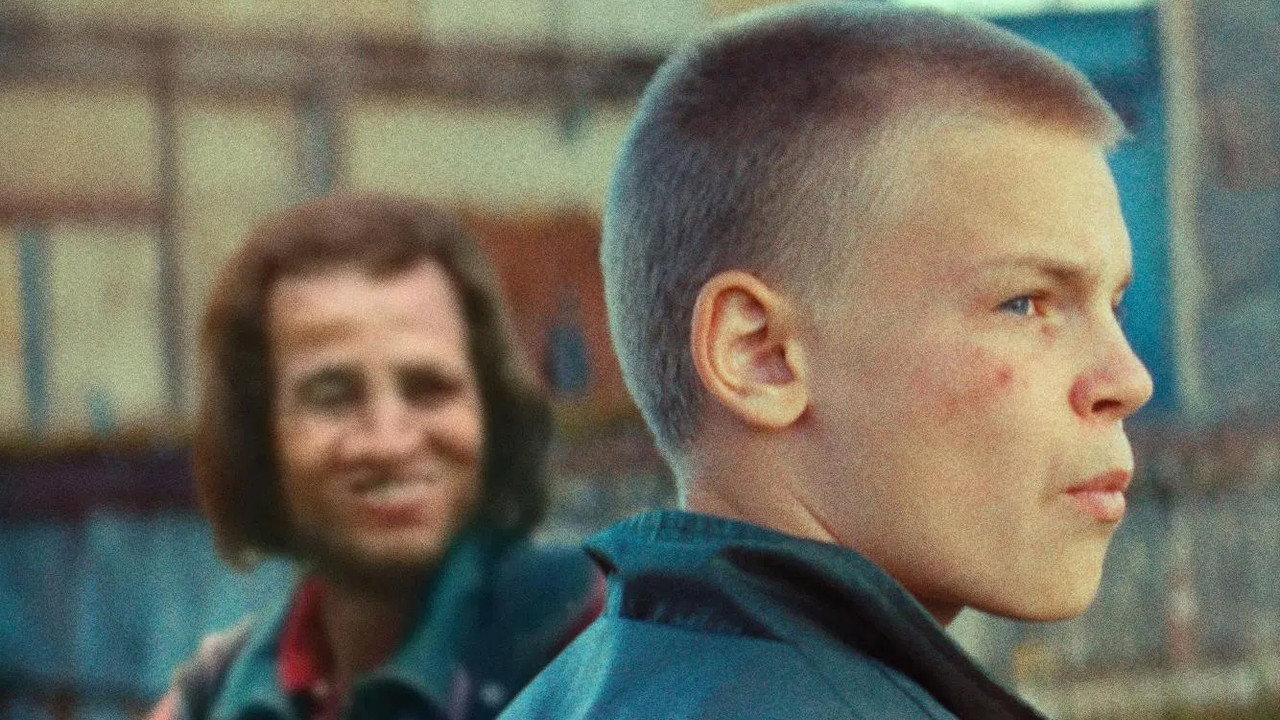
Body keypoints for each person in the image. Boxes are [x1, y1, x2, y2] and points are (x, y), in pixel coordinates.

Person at [500, 3, 1154, 719]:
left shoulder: (567, 696)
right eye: (1024, 303)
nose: (1128, 379)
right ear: (760, 355)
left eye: (1115, 306)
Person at [150, 194, 601, 720]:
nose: (388, 443)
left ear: (490, 409)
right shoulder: (223, 687)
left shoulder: (593, 641)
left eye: (429, 388)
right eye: (332, 396)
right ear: (257, 435)